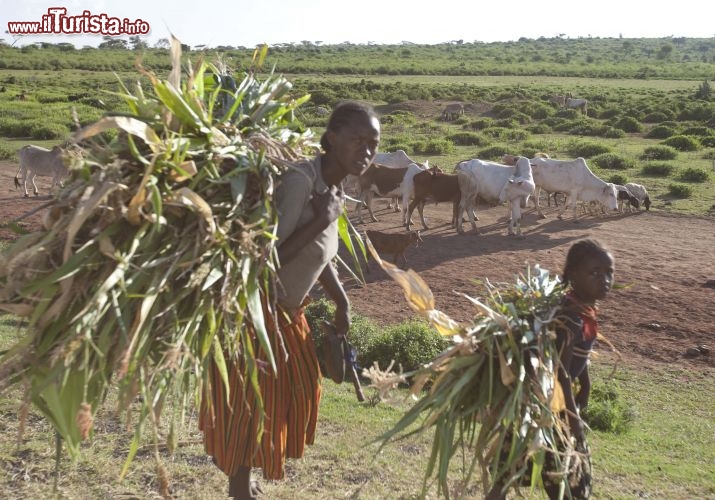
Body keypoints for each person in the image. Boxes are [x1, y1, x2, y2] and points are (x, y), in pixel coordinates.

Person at [199, 101, 381, 500]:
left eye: (373, 143)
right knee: (255, 401)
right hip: (256, 311)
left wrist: (341, 302)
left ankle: (238, 469)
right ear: (331, 139)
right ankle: (238, 485)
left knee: (296, 392)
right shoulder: (301, 180)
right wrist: (321, 219)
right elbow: (266, 258)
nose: (365, 151)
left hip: (287, 311)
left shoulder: (333, 188)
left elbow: (320, 253)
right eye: (356, 140)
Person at [487, 238, 614, 500]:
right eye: (595, 273)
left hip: (540, 403)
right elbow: (559, 369)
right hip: (546, 406)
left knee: (514, 475)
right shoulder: (568, 316)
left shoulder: (583, 311)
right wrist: (572, 415)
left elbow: (577, 357)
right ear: (572, 275)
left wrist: (586, 383)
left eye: (609, 273)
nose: (605, 280)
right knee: (566, 479)